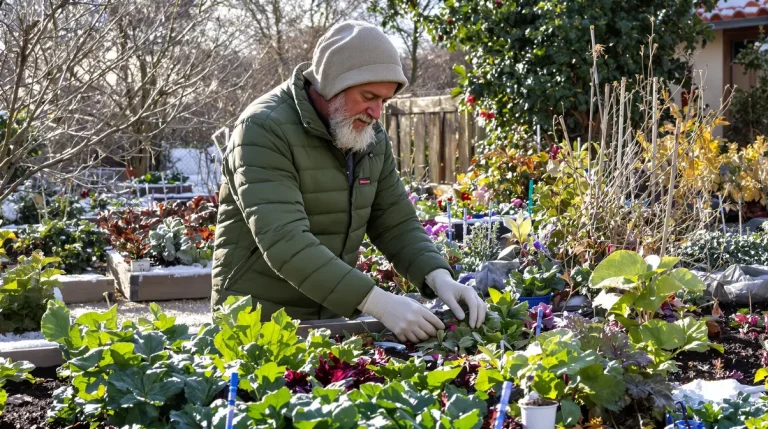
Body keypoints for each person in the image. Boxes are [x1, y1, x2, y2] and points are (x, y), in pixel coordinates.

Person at [211, 20, 486, 343]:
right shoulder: (263, 128)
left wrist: (438, 277)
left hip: (326, 318)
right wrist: (376, 301)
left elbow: (394, 221)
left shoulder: (366, 136)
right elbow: (285, 240)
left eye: (384, 100)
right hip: (256, 320)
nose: (376, 112)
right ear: (332, 84)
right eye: (368, 96)